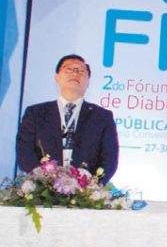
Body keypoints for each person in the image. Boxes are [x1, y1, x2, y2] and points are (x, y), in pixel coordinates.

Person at [16, 54, 119, 183]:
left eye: (81, 71)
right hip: (42, 190)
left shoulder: (102, 117)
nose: (75, 73)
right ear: (57, 77)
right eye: (69, 69)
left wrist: (91, 186)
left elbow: (109, 160)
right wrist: (43, 184)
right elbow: (25, 152)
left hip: (85, 191)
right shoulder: (35, 113)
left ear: (88, 82)